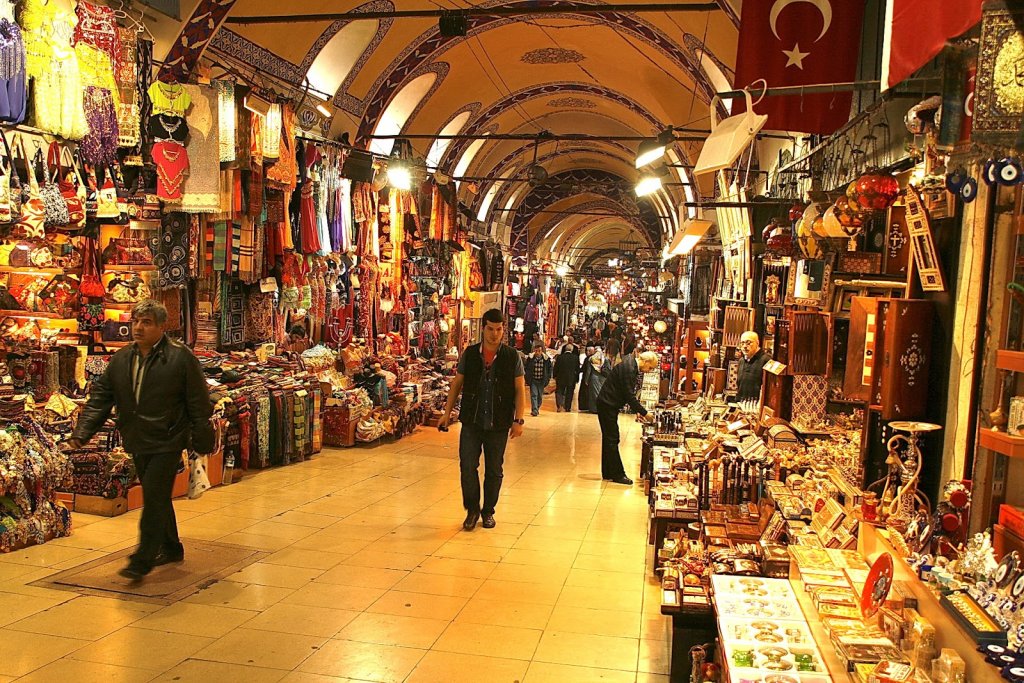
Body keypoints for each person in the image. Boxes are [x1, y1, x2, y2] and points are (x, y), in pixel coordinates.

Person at [68, 300, 214, 581]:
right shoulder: (122, 359)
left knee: (154, 496)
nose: (138, 327)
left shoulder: (180, 357)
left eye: (146, 322)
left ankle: (142, 558)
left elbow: (198, 400)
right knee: (156, 494)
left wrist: (202, 435)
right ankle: (171, 546)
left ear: (162, 326)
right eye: (136, 321)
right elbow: (101, 398)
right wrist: (81, 434)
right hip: (137, 437)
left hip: (168, 438)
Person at [439, 308, 527, 531]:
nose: (494, 334)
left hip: (498, 422)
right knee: (468, 466)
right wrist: (447, 413)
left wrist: (519, 420)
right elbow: (457, 384)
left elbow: (519, 389)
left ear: (503, 330)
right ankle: (472, 510)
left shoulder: (511, 356)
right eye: (490, 329)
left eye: (498, 329)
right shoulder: (470, 354)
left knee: (494, 469)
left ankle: (488, 511)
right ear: (483, 328)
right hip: (472, 420)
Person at [595, 350, 659, 485]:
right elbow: (629, 395)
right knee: (612, 438)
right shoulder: (629, 369)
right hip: (608, 404)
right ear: (645, 361)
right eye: (650, 367)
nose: (649, 371)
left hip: (607, 403)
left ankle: (608, 472)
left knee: (608, 439)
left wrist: (637, 410)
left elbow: (626, 394)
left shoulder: (630, 365)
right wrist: (644, 413)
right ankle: (618, 474)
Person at [736, 331, 771, 402]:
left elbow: (770, 389)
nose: (745, 346)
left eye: (748, 342)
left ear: (757, 343)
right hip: (742, 405)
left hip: (757, 406)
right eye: (742, 343)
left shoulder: (767, 360)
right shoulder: (741, 361)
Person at [523, 341, 551, 416]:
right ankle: (534, 410)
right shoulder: (530, 359)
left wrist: (547, 378)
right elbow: (526, 368)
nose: (537, 352)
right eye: (536, 351)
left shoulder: (546, 360)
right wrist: (527, 377)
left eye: (539, 351)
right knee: (534, 395)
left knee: (539, 396)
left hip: (541, 380)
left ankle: (537, 407)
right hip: (533, 380)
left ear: (542, 351)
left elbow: (549, 369)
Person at [553, 342, 582, 412]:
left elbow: (556, 367)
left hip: (560, 377)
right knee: (570, 392)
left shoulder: (560, 357)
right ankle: (568, 407)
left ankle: (559, 405)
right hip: (571, 378)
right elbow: (577, 369)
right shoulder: (575, 358)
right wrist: (577, 378)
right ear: (571, 350)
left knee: (559, 391)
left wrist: (554, 375)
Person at [579, 345, 596, 412]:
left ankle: (584, 406)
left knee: (584, 393)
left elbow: (585, 369)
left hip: (586, 378)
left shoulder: (588, 359)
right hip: (593, 378)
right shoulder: (595, 358)